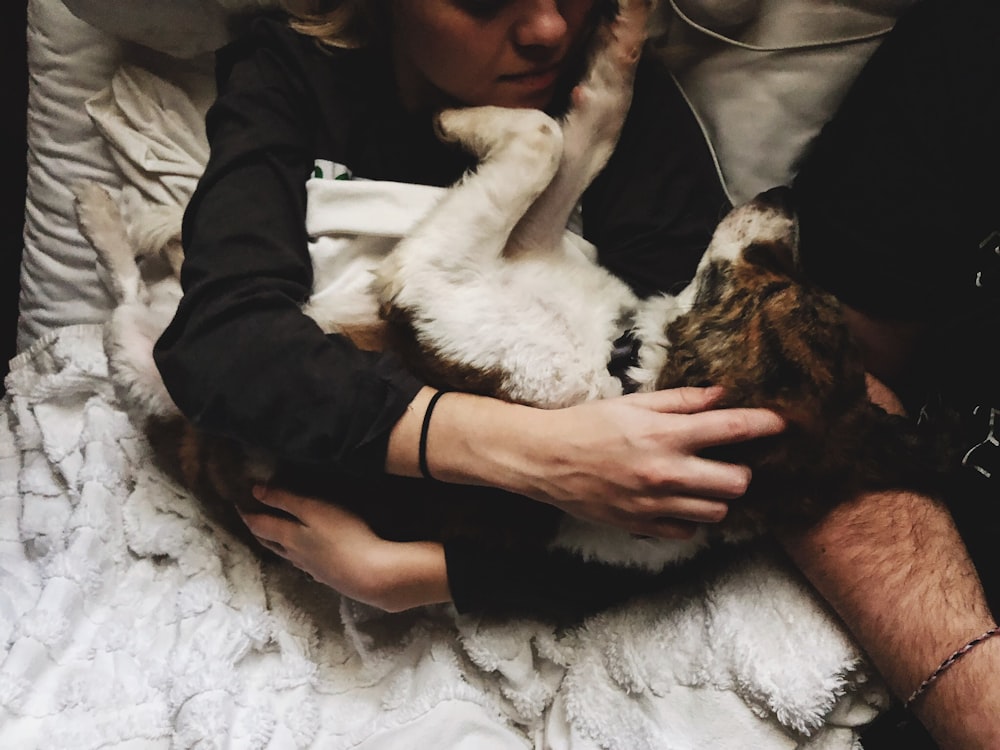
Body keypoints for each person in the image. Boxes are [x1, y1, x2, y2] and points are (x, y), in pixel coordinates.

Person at [153, 0, 785, 618]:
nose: (549, 27)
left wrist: (424, 576)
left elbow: (711, 483)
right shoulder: (295, 73)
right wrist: (537, 453)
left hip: (505, 549)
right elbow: (220, 346)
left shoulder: (620, 98)